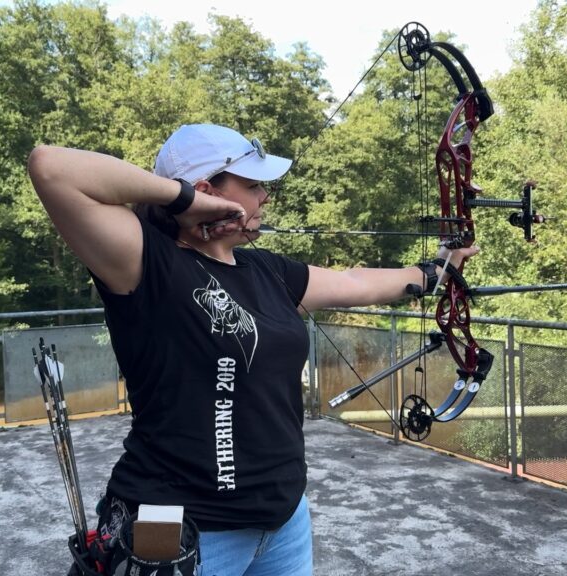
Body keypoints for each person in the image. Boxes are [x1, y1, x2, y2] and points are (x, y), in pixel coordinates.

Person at [27, 123, 478, 576]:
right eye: (254, 184)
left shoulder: (266, 269)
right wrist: (186, 200)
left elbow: (354, 282)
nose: (265, 195)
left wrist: (438, 267)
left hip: (283, 523)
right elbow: (51, 167)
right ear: (207, 190)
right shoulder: (145, 262)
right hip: (186, 533)